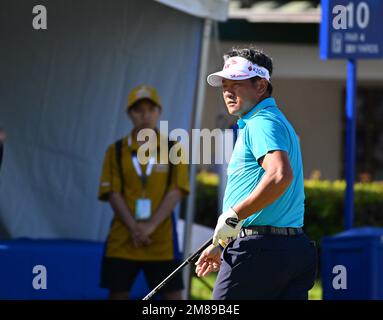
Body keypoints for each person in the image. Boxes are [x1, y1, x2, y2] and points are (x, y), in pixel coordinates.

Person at [195, 48, 317, 300]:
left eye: (236, 84)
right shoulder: (274, 120)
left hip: (259, 252)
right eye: (224, 85)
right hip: (291, 249)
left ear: (261, 86)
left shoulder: (261, 122)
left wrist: (233, 216)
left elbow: (279, 176)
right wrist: (222, 243)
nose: (228, 92)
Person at [98, 85, 190, 300]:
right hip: (124, 238)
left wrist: (149, 226)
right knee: (118, 293)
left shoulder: (173, 148)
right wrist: (135, 228)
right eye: (139, 110)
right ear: (129, 114)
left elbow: (176, 190)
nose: (145, 115)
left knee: (173, 296)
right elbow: (112, 193)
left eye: (151, 109)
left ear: (159, 112)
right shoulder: (116, 150)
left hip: (161, 241)